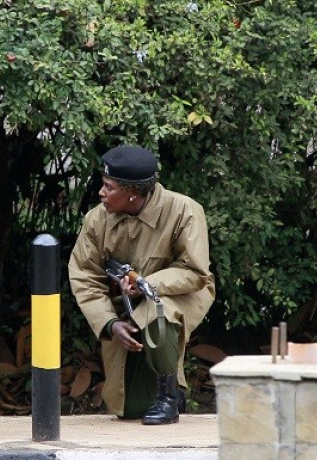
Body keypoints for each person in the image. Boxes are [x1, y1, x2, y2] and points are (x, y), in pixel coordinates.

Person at [68, 145, 215, 425]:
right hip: (126, 304)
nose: (101, 193)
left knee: (158, 312)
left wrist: (148, 284)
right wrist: (110, 323)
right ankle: (172, 393)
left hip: (183, 292)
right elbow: (85, 276)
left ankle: (169, 398)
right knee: (130, 408)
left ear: (132, 192)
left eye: (109, 188)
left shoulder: (185, 211)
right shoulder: (96, 219)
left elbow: (195, 271)